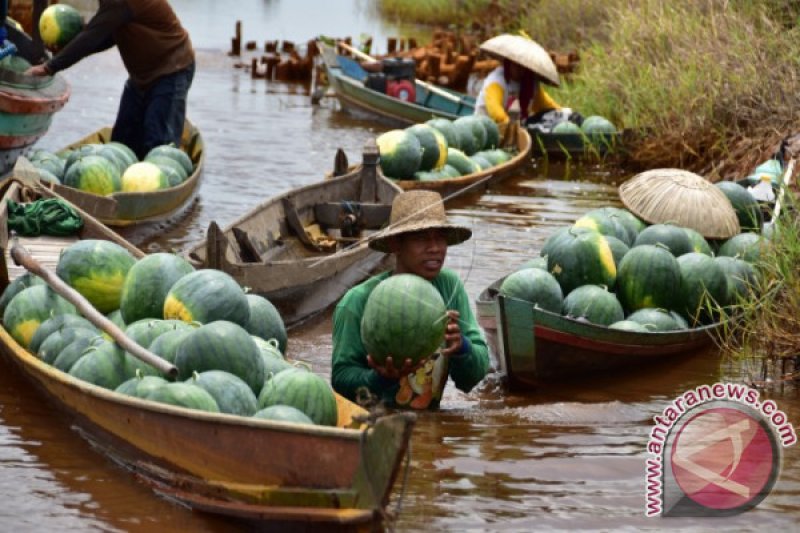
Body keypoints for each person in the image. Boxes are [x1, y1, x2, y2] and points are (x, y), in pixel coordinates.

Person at [331, 190, 490, 410]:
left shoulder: (449, 287)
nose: (434, 248)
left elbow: (471, 380)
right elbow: (340, 380)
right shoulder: (357, 302)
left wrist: (461, 347)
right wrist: (382, 379)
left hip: (431, 431)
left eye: (440, 237)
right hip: (375, 427)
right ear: (396, 244)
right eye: (421, 238)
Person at [25, 0, 195, 160]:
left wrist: (50, 67)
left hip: (172, 69)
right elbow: (107, 35)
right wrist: (66, 51)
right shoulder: (115, 6)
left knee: (158, 147)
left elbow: (92, 36)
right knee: (121, 141)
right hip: (141, 77)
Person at [475, 33, 576, 134]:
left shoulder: (530, 82)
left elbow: (544, 104)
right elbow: (495, 111)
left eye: (523, 67)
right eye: (516, 66)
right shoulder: (496, 81)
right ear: (509, 63)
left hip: (516, 126)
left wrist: (564, 112)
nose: (520, 70)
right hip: (489, 127)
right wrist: (511, 126)